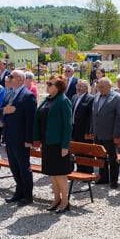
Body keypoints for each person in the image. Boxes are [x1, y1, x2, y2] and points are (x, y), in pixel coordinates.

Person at [34, 76, 74, 213]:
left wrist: (65, 146)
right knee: (52, 174)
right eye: (47, 83)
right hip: (47, 143)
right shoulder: (48, 99)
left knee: (60, 175)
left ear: (58, 87)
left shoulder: (63, 101)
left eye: (50, 84)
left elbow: (68, 125)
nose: (47, 85)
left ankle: (65, 202)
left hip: (58, 144)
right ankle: (56, 199)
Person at [1, 70, 36, 206]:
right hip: (9, 136)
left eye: (12, 77)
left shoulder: (28, 96)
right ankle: (19, 192)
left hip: (21, 138)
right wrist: (4, 111)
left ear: (21, 80)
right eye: (9, 76)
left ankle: (27, 196)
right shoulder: (9, 93)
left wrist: (29, 140)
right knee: (14, 166)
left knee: (23, 167)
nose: (9, 79)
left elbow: (31, 120)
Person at [90, 77, 120, 188]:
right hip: (98, 133)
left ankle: (114, 181)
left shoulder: (118, 98)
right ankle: (103, 178)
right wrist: (92, 130)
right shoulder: (96, 96)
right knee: (100, 157)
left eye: (102, 87)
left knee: (113, 159)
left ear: (110, 86)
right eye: (99, 87)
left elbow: (119, 118)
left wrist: (117, 135)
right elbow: (94, 115)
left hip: (110, 135)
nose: (100, 89)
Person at [71, 80, 95, 173]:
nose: (78, 88)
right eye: (77, 86)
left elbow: (91, 117)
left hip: (85, 130)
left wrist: (89, 131)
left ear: (86, 88)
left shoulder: (91, 98)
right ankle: (80, 170)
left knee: (86, 151)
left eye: (81, 86)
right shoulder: (74, 97)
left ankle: (88, 172)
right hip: (75, 129)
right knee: (77, 150)